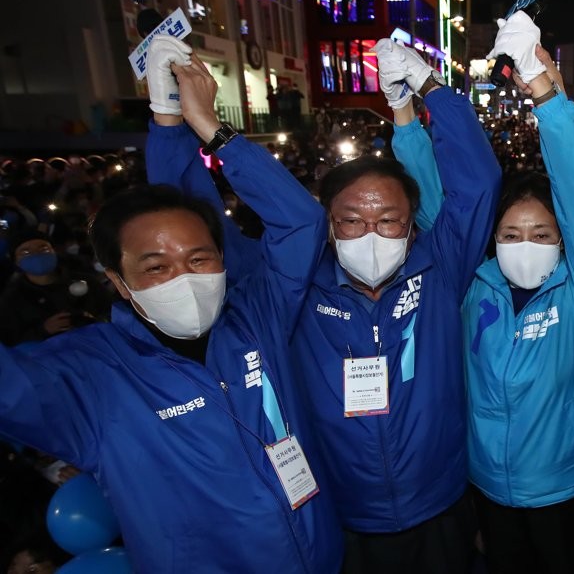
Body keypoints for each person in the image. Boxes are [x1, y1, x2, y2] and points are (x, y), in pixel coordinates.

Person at [147, 37, 502, 574]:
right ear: (328, 225)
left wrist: (433, 88)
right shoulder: (289, 287)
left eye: (389, 221)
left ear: (412, 226)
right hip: (341, 511)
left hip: (440, 504)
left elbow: (478, 184)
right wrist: (171, 123)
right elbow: (197, 223)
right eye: (351, 221)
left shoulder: (440, 267)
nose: (372, 234)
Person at [0, 36, 343, 573]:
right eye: (156, 267)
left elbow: (301, 221)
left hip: (318, 557)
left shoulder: (257, 317)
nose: (183, 277)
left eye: (200, 259)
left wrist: (197, 125)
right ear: (118, 279)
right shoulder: (91, 377)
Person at [390, 20, 574, 573]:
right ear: (492, 240)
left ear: (564, 241)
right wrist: (404, 115)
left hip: (564, 490)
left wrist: (543, 92)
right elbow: (437, 207)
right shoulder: (474, 282)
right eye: (512, 235)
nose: (526, 245)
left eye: (541, 235)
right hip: (487, 486)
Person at [0, 228, 113, 346]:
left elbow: (113, 312)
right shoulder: (12, 298)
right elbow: (9, 340)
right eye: (26, 252)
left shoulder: (87, 282)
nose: (36, 254)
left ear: (54, 251)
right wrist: (43, 330)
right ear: (16, 261)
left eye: (43, 248)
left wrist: (94, 322)